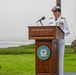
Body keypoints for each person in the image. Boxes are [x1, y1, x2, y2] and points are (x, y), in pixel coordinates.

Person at [49, 6, 70, 75]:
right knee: (52, 59)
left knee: (60, 59)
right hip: (52, 43)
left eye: (55, 11)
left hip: (60, 42)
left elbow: (67, 31)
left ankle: (60, 74)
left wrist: (62, 34)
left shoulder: (63, 20)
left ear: (59, 12)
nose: (54, 13)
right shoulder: (50, 20)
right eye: (53, 11)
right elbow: (48, 30)